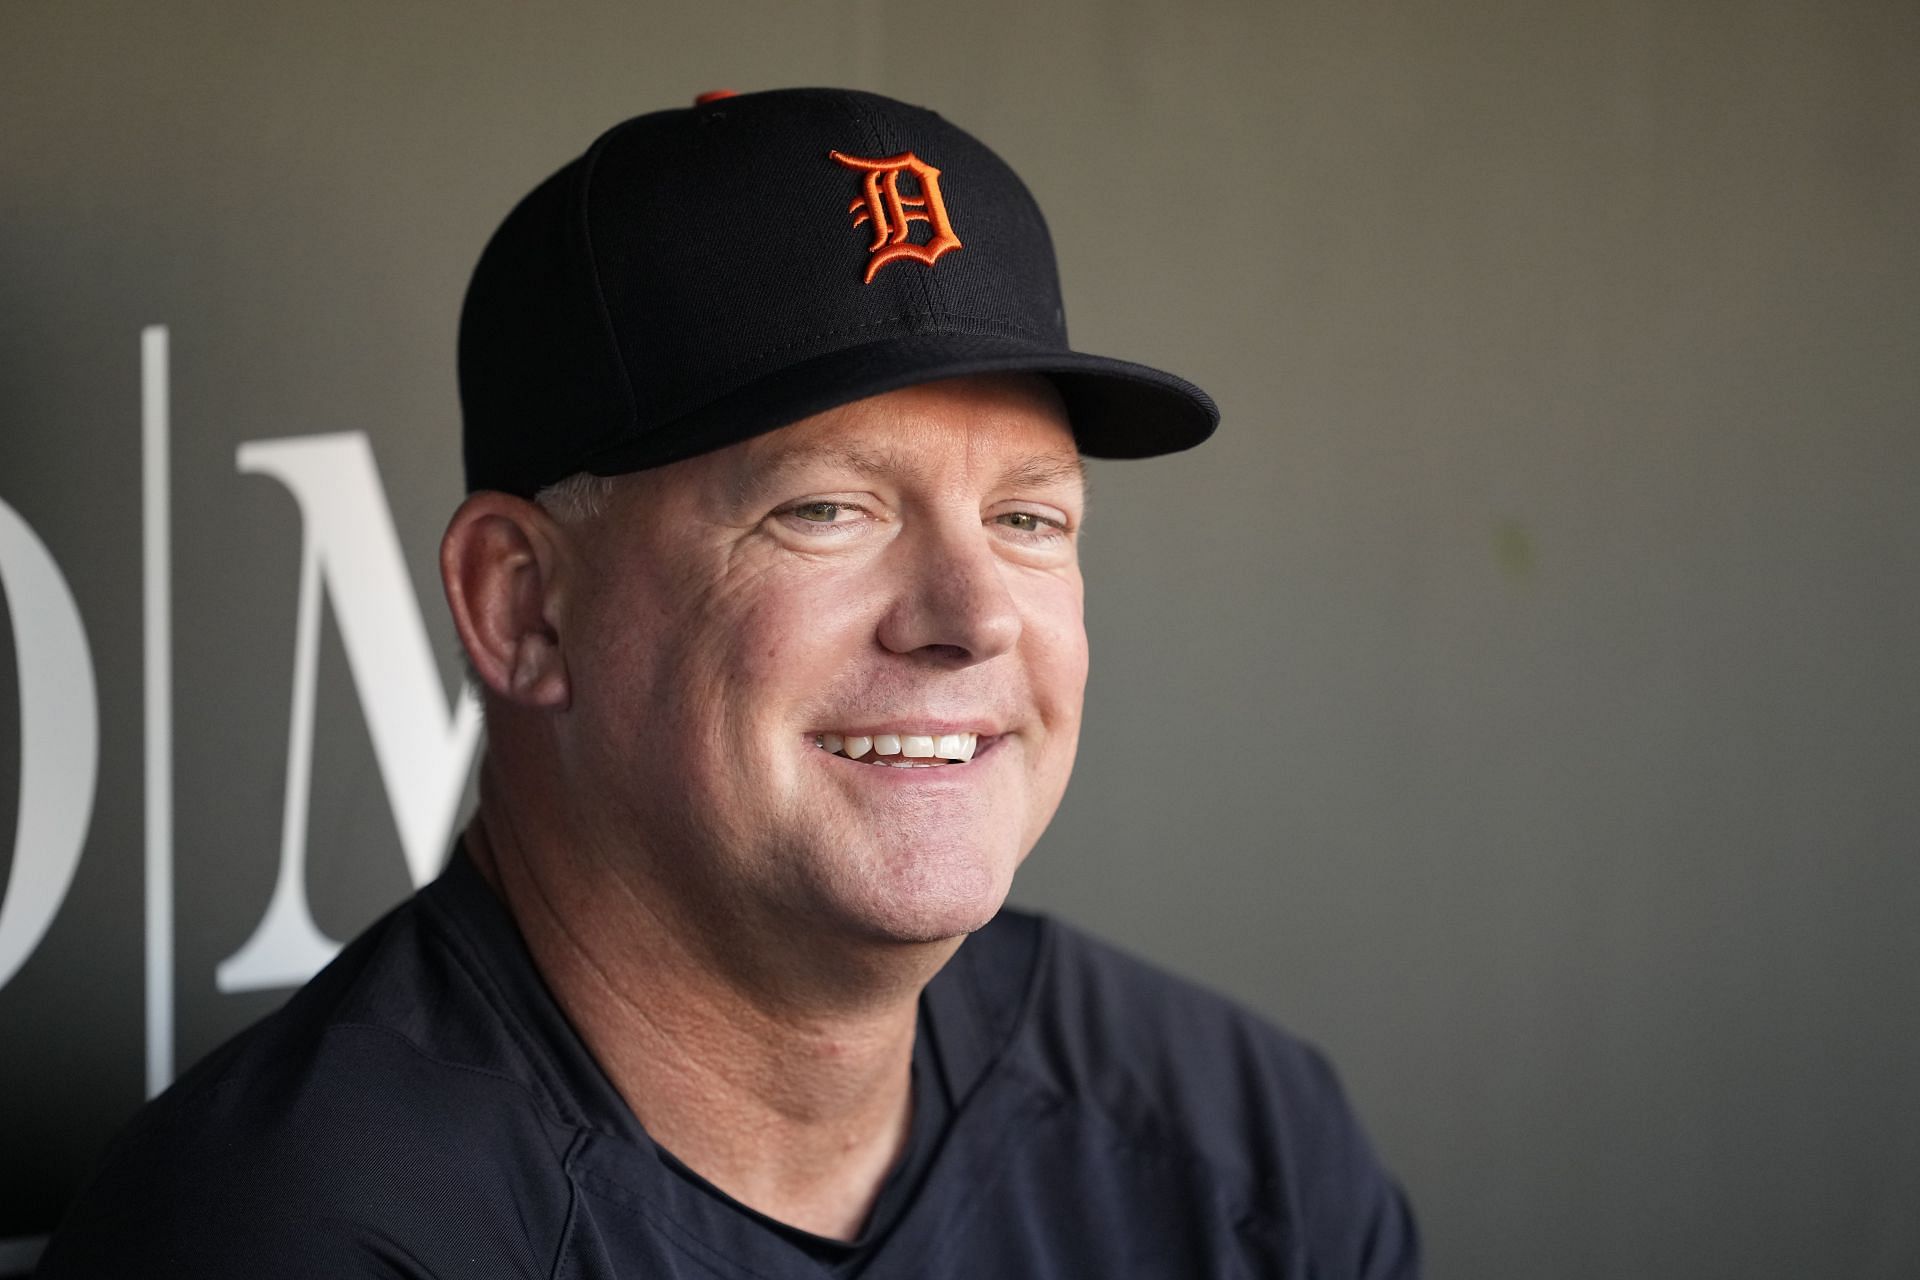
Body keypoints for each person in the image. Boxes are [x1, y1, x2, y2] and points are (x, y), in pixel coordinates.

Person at [39, 88, 1418, 1278]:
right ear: (522, 605)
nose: (972, 617)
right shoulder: (296, 1235)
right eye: (827, 509)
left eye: (1030, 519)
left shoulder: (1234, 1139)